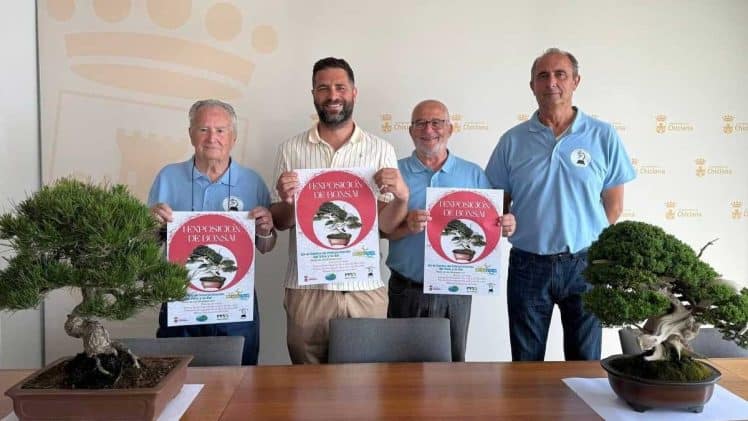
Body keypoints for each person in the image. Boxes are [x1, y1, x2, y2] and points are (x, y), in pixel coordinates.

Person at [485, 48, 636, 361]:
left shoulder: (603, 135)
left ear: (576, 81)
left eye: (560, 74)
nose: (551, 82)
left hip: (585, 265)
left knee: (585, 362)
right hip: (528, 265)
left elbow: (615, 205)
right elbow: (496, 202)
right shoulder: (512, 140)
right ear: (532, 86)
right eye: (543, 76)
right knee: (526, 363)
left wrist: (588, 243)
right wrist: (503, 219)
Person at [270, 57, 409, 364]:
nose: (332, 95)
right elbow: (279, 222)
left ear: (354, 92)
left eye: (340, 87)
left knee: (365, 389)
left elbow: (384, 226)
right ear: (313, 94)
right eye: (323, 88)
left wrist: (401, 197)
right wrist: (288, 202)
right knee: (307, 391)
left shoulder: (380, 149)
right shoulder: (290, 149)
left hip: (364, 289)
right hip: (307, 291)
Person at [386, 100, 516, 361]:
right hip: (406, 289)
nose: (429, 129)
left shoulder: (474, 175)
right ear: (411, 131)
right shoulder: (394, 173)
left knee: (453, 368)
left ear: (450, 128)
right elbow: (380, 231)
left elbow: (492, 227)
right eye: (420, 123)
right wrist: (405, 226)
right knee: (398, 371)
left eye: (437, 122)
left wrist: (506, 225)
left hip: (455, 291)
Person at [148, 99, 276, 365]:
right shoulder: (168, 177)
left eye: (220, 130)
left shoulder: (252, 182)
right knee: (177, 375)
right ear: (191, 134)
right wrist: (150, 226)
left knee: (240, 381)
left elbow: (266, 246)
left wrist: (265, 230)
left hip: (235, 302)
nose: (212, 138)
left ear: (234, 136)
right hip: (180, 298)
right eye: (203, 129)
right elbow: (147, 244)